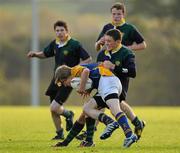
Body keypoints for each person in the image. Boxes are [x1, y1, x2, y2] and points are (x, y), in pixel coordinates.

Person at [77, 2, 146, 141]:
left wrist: (125, 50)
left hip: (121, 70)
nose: (116, 16)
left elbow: (143, 45)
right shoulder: (107, 28)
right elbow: (98, 47)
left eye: (118, 14)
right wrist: (99, 43)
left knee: (112, 101)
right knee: (112, 101)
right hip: (107, 70)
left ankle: (92, 131)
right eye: (114, 14)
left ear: (123, 14)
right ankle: (136, 123)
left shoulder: (129, 28)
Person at [27, 20, 91, 140]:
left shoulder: (74, 44)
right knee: (53, 108)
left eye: (62, 30)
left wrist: (75, 70)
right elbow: (45, 54)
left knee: (54, 107)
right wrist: (35, 54)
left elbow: (88, 59)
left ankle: (68, 114)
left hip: (68, 80)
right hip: (56, 79)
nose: (60, 33)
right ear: (55, 32)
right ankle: (59, 133)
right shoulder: (55, 44)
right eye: (57, 30)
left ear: (67, 31)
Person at [53, 62, 138, 148]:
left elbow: (86, 71)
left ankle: (126, 132)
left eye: (63, 82)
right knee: (87, 109)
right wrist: (65, 143)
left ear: (66, 75)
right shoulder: (78, 72)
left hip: (107, 82)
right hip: (106, 83)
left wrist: (82, 87)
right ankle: (88, 141)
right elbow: (94, 74)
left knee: (115, 110)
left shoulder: (74, 70)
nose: (64, 85)